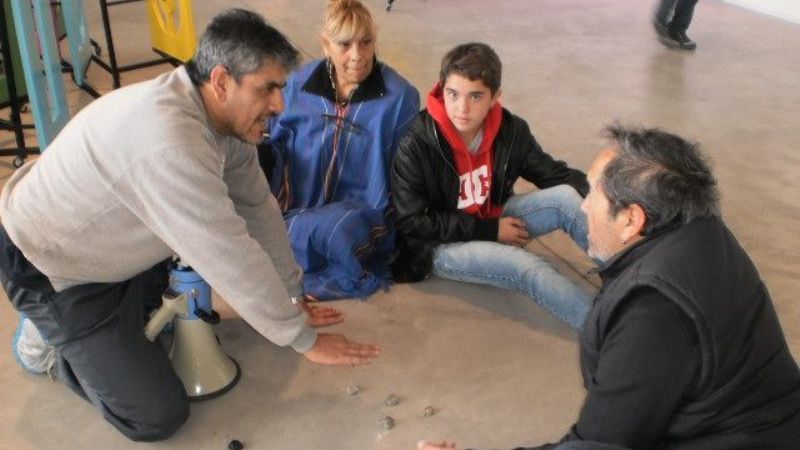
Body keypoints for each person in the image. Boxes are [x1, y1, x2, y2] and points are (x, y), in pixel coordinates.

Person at [0, 9, 379, 442]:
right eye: (268, 89)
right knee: (157, 415)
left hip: (111, 245)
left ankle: (110, 328)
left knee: (171, 306)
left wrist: (292, 293)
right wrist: (302, 341)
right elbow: (228, 251)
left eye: (281, 88)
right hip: (51, 267)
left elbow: (258, 208)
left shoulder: (221, 119)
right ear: (221, 82)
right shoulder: (170, 141)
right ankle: (45, 343)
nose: (279, 104)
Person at [418, 125, 800, 450]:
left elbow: (599, 443)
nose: (583, 207)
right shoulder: (700, 229)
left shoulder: (653, 312)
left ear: (632, 220)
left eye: (594, 196)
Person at [391, 43, 593, 329]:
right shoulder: (416, 142)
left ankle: (629, 272)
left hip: (493, 215)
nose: (462, 108)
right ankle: (610, 330)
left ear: (495, 97)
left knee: (565, 198)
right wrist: (489, 230)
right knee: (526, 267)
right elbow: (411, 221)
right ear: (441, 89)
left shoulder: (510, 130)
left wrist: (609, 195)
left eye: (476, 96)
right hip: (440, 246)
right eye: (453, 94)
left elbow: (554, 175)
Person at [259, 0, 419, 300]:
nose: (357, 55)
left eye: (366, 42)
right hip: (297, 202)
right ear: (325, 45)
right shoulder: (296, 85)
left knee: (340, 233)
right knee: (262, 222)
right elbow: (271, 141)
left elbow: (409, 175)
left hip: (363, 209)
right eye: (344, 44)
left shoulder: (400, 97)